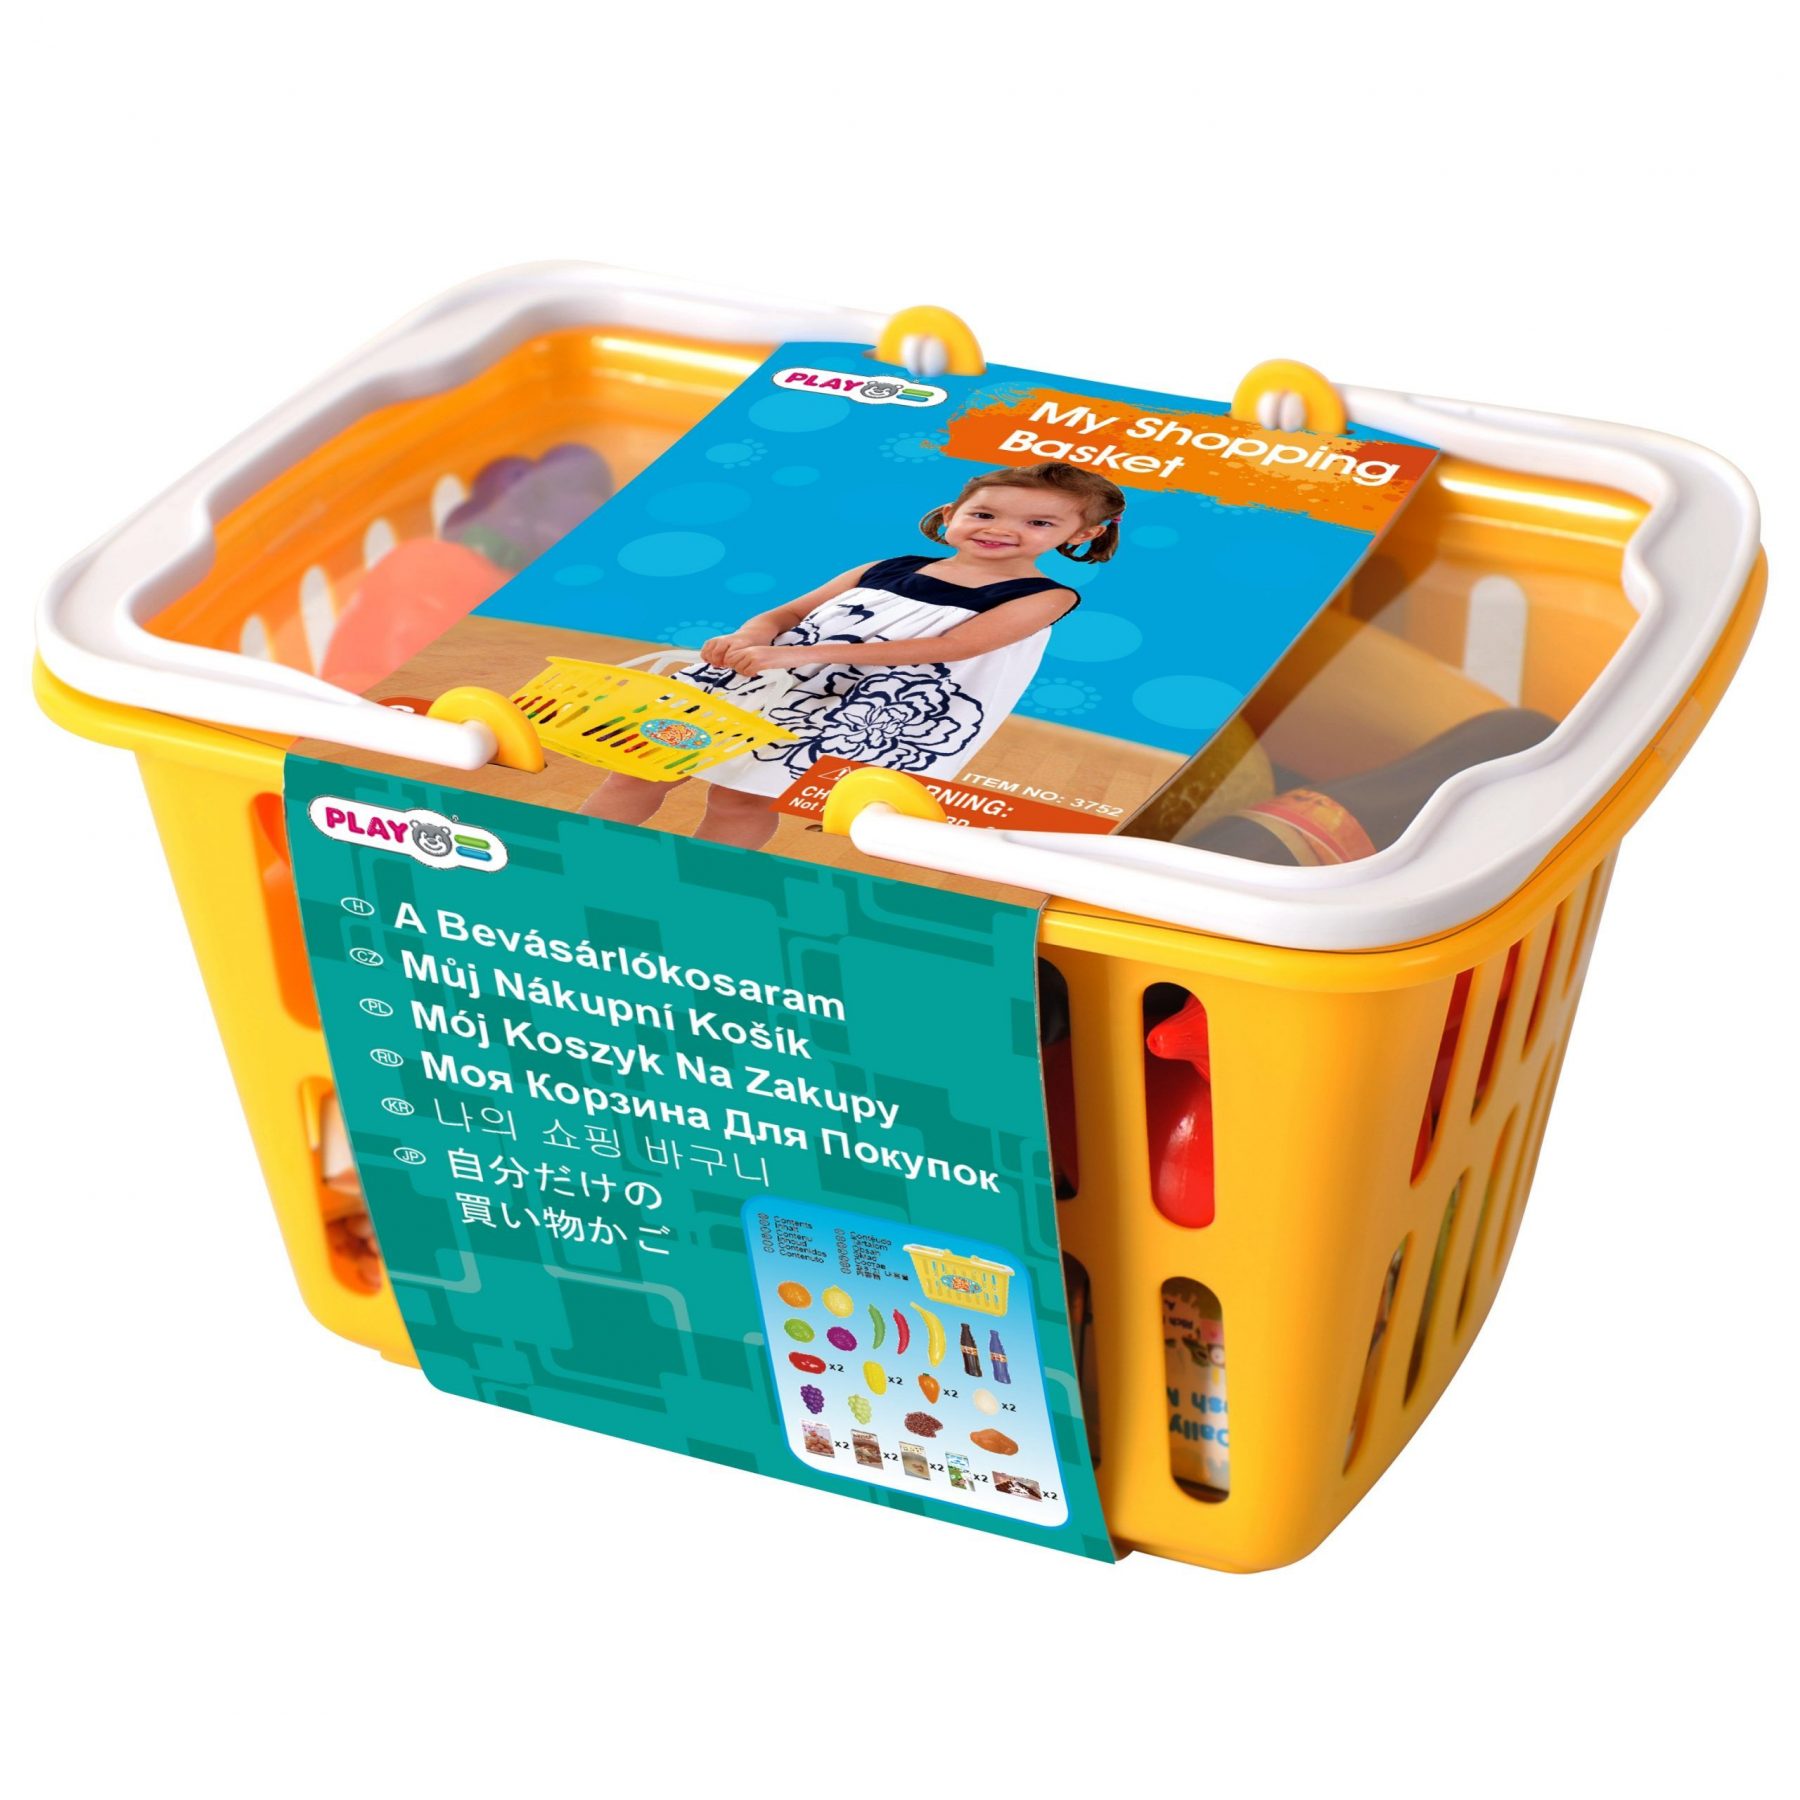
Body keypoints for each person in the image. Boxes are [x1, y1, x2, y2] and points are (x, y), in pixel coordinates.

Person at [579, 463, 1127, 848]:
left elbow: (952, 648)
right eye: (984, 514)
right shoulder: (886, 567)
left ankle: (699, 889)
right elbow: (790, 612)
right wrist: (750, 635)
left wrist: (798, 657)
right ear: (952, 512)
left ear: (1084, 533)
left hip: (852, 704)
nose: (1002, 530)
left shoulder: (1045, 596)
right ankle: (576, 855)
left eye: (1038, 523)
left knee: (739, 799)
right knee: (641, 770)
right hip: (765, 680)